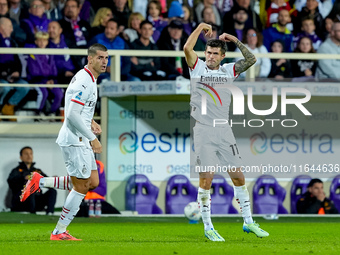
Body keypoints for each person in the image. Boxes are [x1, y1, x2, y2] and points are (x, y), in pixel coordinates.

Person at [183, 22, 269, 241]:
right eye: (208, 52)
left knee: (239, 177)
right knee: (206, 179)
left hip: (224, 130)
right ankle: (208, 227)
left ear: (222, 56)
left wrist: (235, 40)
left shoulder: (229, 70)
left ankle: (249, 223)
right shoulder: (197, 68)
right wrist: (201, 26)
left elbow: (252, 60)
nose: (210, 56)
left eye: (215, 54)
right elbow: (186, 48)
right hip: (203, 131)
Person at [20, 43, 108, 241]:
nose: (104, 62)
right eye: (100, 58)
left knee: (91, 182)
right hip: (75, 139)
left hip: (80, 136)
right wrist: (93, 138)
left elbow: (78, 110)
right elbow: (71, 114)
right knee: (81, 186)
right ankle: (59, 231)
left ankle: (39, 181)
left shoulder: (90, 79)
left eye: (106, 58)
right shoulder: (84, 81)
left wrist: (90, 121)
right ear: (90, 59)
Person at [7, 146, 57, 214]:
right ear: (21, 157)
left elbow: (47, 182)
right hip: (22, 202)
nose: (29, 156)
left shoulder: (37, 171)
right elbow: (11, 182)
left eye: (31, 153)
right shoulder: (17, 171)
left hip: (37, 201)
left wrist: (52, 180)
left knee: (53, 191)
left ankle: (50, 213)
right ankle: (32, 214)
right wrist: (24, 178)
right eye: (26, 154)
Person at [0, 17, 29, 118]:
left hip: (12, 76)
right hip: (2, 77)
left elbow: (17, 61)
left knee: (25, 87)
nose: (12, 30)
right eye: (9, 27)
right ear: (1, 27)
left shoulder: (12, 42)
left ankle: (8, 108)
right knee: (5, 87)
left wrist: (17, 72)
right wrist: (4, 74)